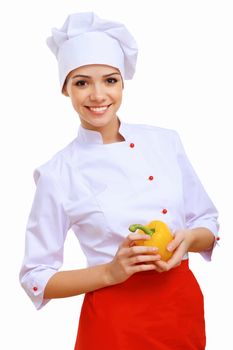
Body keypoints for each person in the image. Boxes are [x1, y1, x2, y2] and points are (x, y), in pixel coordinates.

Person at [19, 12, 219, 350]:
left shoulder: (165, 142)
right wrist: (111, 272)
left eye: (109, 80)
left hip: (181, 308)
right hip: (116, 322)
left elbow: (207, 222)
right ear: (65, 89)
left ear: (122, 82)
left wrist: (188, 240)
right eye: (82, 82)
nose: (98, 95)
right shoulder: (58, 173)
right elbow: (36, 277)